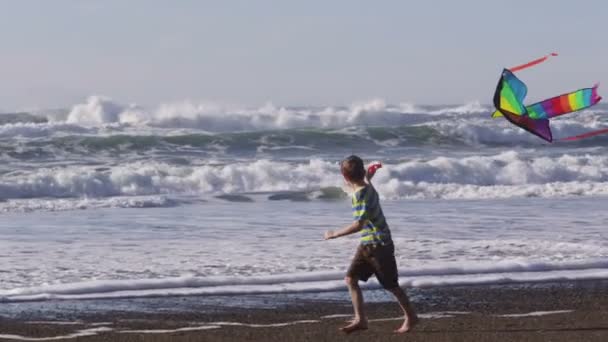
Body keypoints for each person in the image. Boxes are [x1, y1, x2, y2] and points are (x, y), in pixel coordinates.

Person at [324, 155, 417, 334]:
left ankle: (411, 317)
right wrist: (368, 178)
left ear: (345, 177)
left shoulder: (360, 195)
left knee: (391, 285)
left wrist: (334, 234)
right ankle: (361, 319)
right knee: (351, 279)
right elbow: (363, 187)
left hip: (379, 245)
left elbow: (359, 224)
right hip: (368, 245)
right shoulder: (367, 188)